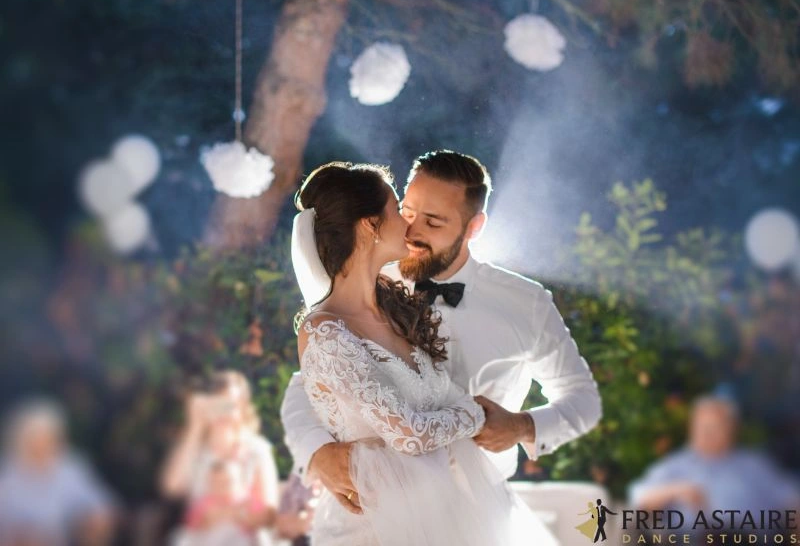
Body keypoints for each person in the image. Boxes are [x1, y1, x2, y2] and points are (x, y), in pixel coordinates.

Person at [281, 150, 601, 512]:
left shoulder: (527, 301)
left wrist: (523, 426)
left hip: (479, 506)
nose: (413, 231)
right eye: (407, 213)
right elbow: (310, 381)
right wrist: (317, 453)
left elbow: (584, 399)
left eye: (433, 222)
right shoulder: (372, 281)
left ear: (474, 227)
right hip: (386, 507)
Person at [629, 395, 800, 531]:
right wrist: (676, 490)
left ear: (732, 429)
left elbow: (793, 502)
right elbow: (638, 500)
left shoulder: (754, 465)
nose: (707, 434)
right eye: (702, 427)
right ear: (691, 429)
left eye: (714, 428)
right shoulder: (675, 465)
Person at [160, 370, 279, 542]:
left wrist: (230, 514)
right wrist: (195, 426)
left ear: (243, 407)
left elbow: (268, 514)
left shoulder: (257, 449)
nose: (224, 412)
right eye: (218, 404)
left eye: (230, 404)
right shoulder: (195, 448)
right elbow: (171, 487)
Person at [0, 398, 116, 546]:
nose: (43, 445)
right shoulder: (6, 473)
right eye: (36, 438)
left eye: (49, 438)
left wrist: (95, 517)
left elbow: (99, 501)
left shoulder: (71, 466)